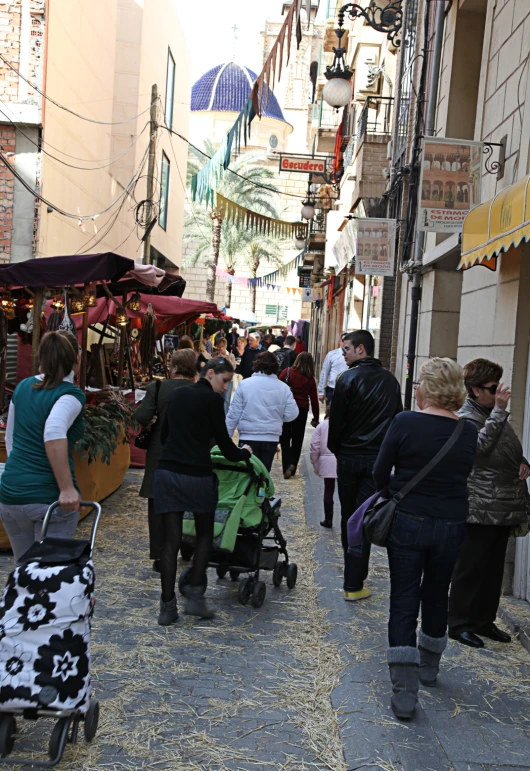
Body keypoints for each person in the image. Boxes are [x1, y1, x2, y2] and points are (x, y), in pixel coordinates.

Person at [373, 358, 478, 720]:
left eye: (419, 382)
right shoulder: (467, 431)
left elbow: (378, 471)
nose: (415, 387)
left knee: (404, 598)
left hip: (408, 520)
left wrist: (396, 494)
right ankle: (430, 667)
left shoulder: (405, 422)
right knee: (437, 594)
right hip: (451, 523)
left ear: (430, 388)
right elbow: (465, 472)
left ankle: (404, 692)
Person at [154, 357, 253, 625]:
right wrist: (244, 453)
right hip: (196, 475)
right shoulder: (212, 401)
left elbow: (164, 436)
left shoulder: (175, 394)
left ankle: (167, 607)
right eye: (224, 380)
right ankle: (195, 597)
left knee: (171, 541)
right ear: (210, 374)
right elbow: (225, 444)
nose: (225, 387)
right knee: (205, 535)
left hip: (167, 473)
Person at [448, 359, 530, 648]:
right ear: (476, 390)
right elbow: (479, 449)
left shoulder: (491, 412)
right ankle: (459, 624)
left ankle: (483, 621)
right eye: (494, 388)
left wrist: (521, 462)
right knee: (470, 567)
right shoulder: (468, 416)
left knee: (493, 569)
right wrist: (499, 412)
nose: (499, 393)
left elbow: (503, 448)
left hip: (501, 503)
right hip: (479, 504)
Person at [328, 330, 402, 602]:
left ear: (361, 349)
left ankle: (353, 576)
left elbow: (335, 422)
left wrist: (337, 449)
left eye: (346, 348)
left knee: (350, 515)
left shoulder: (346, 379)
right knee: (365, 517)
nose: (343, 353)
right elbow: (398, 422)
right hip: (376, 460)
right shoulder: (390, 381)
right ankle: (354, 577)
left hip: (349, 457)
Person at [0, 331, 86, 564]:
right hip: (48, 497)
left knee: (24, 571)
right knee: (49, 575)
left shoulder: (22, 387)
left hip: (11, 494)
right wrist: (66, 488)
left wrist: (18, 472)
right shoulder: (70, 394)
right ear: (76, 358)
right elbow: (54, 430)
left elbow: (11, 439)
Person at [135, 349, 197, 573]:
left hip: (160, 454)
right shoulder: (201, 390)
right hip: (190, 454)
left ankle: (161, 555)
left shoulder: (158, 388)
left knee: (158, 507)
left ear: (175, 367)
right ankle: (186, 544)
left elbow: (141, 417)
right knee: (187, 503)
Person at [226, 351, 299, 471]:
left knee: (247, 475)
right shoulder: (283, 388)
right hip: (270, 437)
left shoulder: (244, 385)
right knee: (264, 474)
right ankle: (262, 490)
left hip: (248, 436)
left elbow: (233, 414)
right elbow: (293, 413)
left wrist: (226, 437)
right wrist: (278, 417)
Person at [279, 352, 319, 479]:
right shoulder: (310, 379)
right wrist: (316, 418)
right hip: (302, 409)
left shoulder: (287, 372)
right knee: (297, 439)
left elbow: (278, 388)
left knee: (284, 437)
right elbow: (314, 400)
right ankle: (293, 466)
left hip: (287, 407)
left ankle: (286, 465)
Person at [310, 404, 337, 528]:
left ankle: (328, 519)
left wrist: (315, 463)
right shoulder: (346, 425)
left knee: (328, 489)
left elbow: (314, 446)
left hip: (327, 461)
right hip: (342, 459)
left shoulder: (321, 426)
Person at [318, 335, 348, 404]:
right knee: (330, 411)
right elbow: (324, 372)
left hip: (347, 390)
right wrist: (321, 392)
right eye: (344, 340)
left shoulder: (353, 355)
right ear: (340, 341)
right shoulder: (332, 354)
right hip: (332, 388)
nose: (345, 343)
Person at [215, 337, 237, 414]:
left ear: (225, 347)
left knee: (227, 399)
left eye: (221, 347)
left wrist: (229, 361)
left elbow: (234, 368)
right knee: (218, 398)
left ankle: (225, 417)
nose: (219, 348)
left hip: (228, 381)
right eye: (218, 346)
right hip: (218, 380)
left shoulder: (231, 356)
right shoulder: (216, 356)